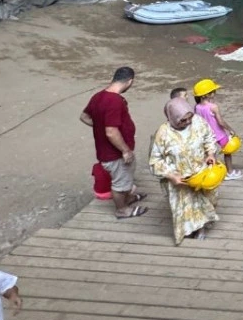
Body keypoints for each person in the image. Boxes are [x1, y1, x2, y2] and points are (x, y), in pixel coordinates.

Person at [149, 97, 221, 244]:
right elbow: (155, 160)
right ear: (172, 118)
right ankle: (189, 229)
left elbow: (209, 138)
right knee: (185, 207)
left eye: (189, 118)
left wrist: (210, 154)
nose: (188, 122)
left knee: (204, 202)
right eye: (183, 120)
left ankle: (201, 227)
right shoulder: (163, 133)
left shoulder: (199, 122)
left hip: (201, 173)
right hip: (179, 179)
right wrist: (170, 175)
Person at [81, 67, 147, 218]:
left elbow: (84, 116)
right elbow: (111, 131)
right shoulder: (115, 101)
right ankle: (122, 210)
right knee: (120, 183)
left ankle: (128, 198)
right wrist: (125, 150)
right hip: (115, 154)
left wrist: (99, 126)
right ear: (130, 81)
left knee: (124, 177)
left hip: (105, 150)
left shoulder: (98, 96)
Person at [193, 79, 242, 180]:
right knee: (227, 151)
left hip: (206, 135)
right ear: (205, 95)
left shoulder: (197, 107)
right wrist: (230, 129)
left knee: (211, 154)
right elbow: (220, 122)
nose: (215, 93)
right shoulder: (213, 107)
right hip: (219, 134)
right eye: (213, 91)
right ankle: (230, 172)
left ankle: (213, 174)